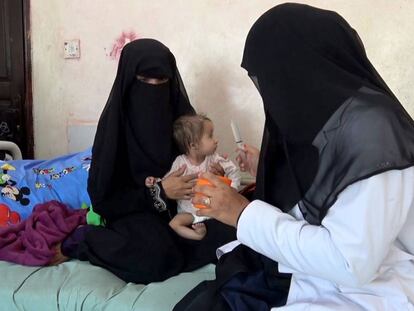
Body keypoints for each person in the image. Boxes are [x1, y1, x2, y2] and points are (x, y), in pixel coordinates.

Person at [175, 3, 414, 311]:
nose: (269, 91)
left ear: (296, 67)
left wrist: (241, 214)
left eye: (269, 77)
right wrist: (264, 171)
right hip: (308, 266)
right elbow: (320, 186)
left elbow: (350, 263)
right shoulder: (328, 118)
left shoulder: (372, 131)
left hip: (363, 284)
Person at [61, 39, 236, 284]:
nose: (154, 89)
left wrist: (212, 173)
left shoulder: (182, 122)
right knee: (155, 255)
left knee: (240, 228)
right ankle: (88, 240)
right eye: (144, 82)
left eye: (162, 82)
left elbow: (197, 157)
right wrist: (159, 192)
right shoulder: (114, 130)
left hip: (186, 210)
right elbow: (103, 201)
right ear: (129, 82)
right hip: (137, 213)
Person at [159, 114, 240, 240]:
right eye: (210, 136)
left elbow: (233, 172)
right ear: (193, 145)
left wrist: (232, 190)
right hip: (191, 213)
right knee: (174, 224)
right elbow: (169, 181)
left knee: (233, 215)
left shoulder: (215, 159)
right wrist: (157, 182)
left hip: (215, 207)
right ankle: (197, 235)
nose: (216, 140)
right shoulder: (180, 163)